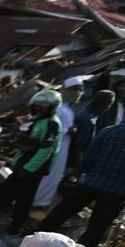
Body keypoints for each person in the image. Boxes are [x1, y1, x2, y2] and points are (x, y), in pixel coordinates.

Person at [39, 96, 125, 247]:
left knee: (61, 213)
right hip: (118, 191)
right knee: (96, 229)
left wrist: (81, 175)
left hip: (91, 181)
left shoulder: (109, 130)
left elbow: (90, 156)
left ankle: (36, 239)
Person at [0, 90, 62, 234]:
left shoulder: (51, 124)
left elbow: (46, 150)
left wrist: (28, 168)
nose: (38, 108)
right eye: (37, 105)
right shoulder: (39, 121)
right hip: (28, 165)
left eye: (43, 106)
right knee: (24, 200)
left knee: (2, 194)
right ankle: (15, 228)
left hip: (31, 168)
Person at [33, 79, 83, 208]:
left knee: (53, 176)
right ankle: (35, 202)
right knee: (46, 175)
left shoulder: (69, 109)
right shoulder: (58, 107)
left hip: (62, 147)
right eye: (75, 89)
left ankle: (40, 202)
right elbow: (48, 127)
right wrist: (68, 130)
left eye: (80, 90)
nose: (78, 93)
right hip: (52, 147)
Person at [70, 90, 115, 168]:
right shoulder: (87, 119)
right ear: (105, 105)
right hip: (71, 161)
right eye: (110, 104)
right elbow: (79, 146)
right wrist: (77, 168)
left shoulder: (89, 114)